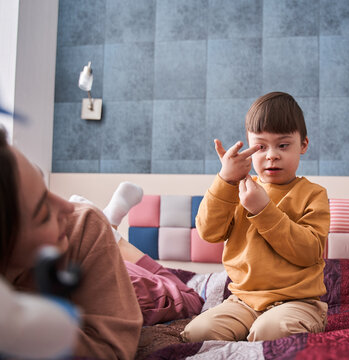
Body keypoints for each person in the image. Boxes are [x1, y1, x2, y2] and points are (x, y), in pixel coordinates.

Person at [182, 91, 330, 342]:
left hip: (298, 302)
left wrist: (264, 211)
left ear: (303, 144)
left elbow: (309, 252)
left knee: (270, 331)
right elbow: (208, 232)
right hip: (243, 301)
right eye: (261, 146)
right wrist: (224, 180)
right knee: (198, 333)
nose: (272, 154)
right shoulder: (237, 187)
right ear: (249, 145)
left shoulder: (313, 194)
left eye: (283, 145)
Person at [0, 127, 142, 359]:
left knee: (172, 290)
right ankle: (112, 223)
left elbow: (113, 349)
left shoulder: (82, 223)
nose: (66, 206)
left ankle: (112, 222)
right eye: (43, 213)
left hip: (131, 285)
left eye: (45, 188)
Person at [70, 183, 204, 326]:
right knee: (193, 300)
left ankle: (110, 234)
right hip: (121, 284)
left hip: (113, 279)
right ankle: (111, 235)